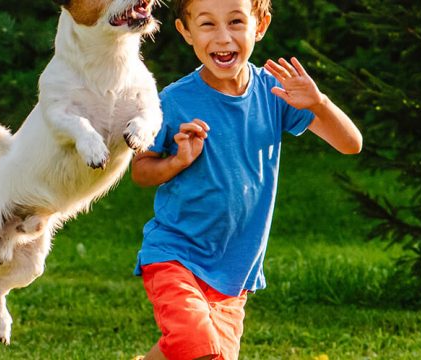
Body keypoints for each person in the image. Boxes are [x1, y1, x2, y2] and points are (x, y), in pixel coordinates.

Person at [130, 0, 363, 359]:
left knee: (183, 349)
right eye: (207, 24)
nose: (223, 38)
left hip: (234, 272)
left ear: (261, 25)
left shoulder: (275, 94)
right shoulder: (174, 100)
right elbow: (141, 170)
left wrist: (319, 104)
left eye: (236, 21)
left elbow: (350, 144)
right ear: (186, 32)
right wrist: (177, 161)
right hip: (176, 257)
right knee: (199, 349)